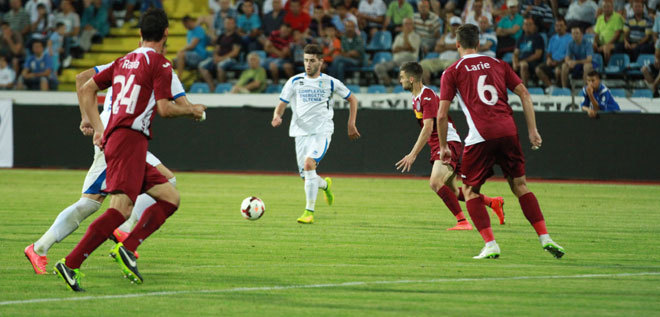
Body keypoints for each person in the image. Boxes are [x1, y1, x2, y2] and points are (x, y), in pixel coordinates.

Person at [52, 9, 205, 292]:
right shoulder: (160, 63)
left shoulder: (125, 60)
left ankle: (128, 247)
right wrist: (192, 110)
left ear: (139, 34)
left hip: (120, 140)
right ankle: (71, 263)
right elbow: (164, 108)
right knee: (120, 210)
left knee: (170, 196)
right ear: (167, 33)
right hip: (130, 140)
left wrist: (98, 127)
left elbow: (86, 87)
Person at [24, 52, 188, 274]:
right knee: (91, 203)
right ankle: (43, 247)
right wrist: (194, 110)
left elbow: (82, 78)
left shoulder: (121, 63)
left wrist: (87, 117)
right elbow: (173, 105)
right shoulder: (160, 67)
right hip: (117, 139)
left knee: (163, 182)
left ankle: (42, 248)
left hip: (116, 136)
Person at [437, 23, 565, 259]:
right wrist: (533, 130)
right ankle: (545, 237)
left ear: (458, 45)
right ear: (478, 44)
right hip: (508, 131)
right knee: (520, 186)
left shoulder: (452, 71)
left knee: (470, 190)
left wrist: (444, 146)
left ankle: (491, 244)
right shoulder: (499, 64)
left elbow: (442, 113)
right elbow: (525, 94)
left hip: (480, 136)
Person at [395, 62, 505, 231]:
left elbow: (428, 127)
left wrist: (413, 154)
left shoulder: (427, 96)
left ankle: (463, 222)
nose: (400, 81)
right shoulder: (416, 97)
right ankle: (493, 202)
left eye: (402, 77)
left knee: (435, 181)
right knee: (453, 192)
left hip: (446, 143)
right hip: (439, 144)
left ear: (411, 79)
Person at [271, 44, 360, 224]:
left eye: (312, 60)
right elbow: (282, 104)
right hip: (300, 133)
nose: (308, 64)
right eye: (305, 60)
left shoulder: (330, 82)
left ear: (321, 61)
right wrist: (277, 116)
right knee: (307, 176)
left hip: (322, 131)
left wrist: (351, 123)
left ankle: (308, 212)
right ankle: (326, 185)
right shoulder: (294, 81)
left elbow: (352, 99)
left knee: (309, 164)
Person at [198, 17, 241, 91]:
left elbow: (235, 52)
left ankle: (221, 88)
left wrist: (221, 58)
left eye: (230, 23)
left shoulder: (237, 37)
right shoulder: (221, 36)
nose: (228, 25)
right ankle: (212, 87)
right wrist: (215, 57)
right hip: (219, 57)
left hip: (231, 59)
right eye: (227, 23)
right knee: (202, 66)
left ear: (234, 25)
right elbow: (217, 49)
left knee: (220, 66)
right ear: (224, 24)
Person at [374, 17, 420, 86]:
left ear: (413, 26)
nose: (408, 26)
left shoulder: (416, 36)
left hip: (410, 59)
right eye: (406, 24)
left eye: (410, 24)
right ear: (403, 26)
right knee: (378, 67)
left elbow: (411, 49)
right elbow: (394, 50)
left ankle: (399, 86)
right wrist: (404, 48)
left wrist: (406, 37)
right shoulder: (398, 36)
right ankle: (389, 83)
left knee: (404, 66)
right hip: (396, 60)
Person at [420, 16, 460, 84]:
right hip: (441, 60)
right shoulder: (444, 36)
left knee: (449, 66)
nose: (455, 27)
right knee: (423, 64)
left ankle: (447, 88)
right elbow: (437, 48)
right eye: (453, 25)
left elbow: (459, 47)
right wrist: (453, 46)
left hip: (453, 61)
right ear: (450, 26)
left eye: (457, 25)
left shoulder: (462, 37)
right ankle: (428, 86)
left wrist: (444, 46)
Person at [536, 18, 572, 92]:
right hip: (552, 62)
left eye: (561, 26)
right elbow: (549, 53)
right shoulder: (553, 38)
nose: (558, 28)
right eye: (557, 26)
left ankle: (562, 89)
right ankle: (551, 87)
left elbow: (570, 54)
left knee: (558, 71)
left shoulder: (570, 38)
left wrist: (558, 62)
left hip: (563, 61)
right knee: (538, 69)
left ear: (566, 27)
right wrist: (549, 59)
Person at [512, 16, 544, 87]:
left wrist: (523, 61)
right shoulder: (520, 38)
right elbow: (516, 53)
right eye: (526, 24)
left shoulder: (538, 38)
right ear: (523, 26)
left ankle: (525, 89)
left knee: (524, 65)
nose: (528, 26)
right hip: (521, 61)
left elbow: (537, 55)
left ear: (534, 26)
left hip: (533, 62)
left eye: (530, 24)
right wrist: (515, 62)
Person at [593, 0, 624, 65]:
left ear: (612, 7)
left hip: (616, 43)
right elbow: (596, 34)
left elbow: (617, 34)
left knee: (606, 48)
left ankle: (607, 69)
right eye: (604, 7)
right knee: (591, 46)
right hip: (601, 43)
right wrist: (595, 42)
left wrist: (606, 45)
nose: (606, 9)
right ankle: (595, 68)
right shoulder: (600, 18)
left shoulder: (618, 17)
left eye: (608, 7)